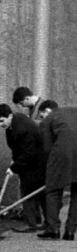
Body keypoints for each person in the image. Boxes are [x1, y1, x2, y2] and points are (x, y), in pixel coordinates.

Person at [0, 103, 46, 231]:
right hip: (30, 163)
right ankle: (36, 221)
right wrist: (15, 161)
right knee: (32, 193)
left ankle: (33, 223)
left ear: (9, 116)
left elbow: (29, 152)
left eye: (2, 121)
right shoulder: (13, 124)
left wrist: (14, 168)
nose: (0, 124)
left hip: (36, 165)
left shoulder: (23, 128)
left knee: (29, 192)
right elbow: (17, 148)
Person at [37, 100, 77, 240]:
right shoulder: (73, 111)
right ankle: (70, 231)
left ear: (46, 111)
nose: (42, 118)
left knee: (53, 190)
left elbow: (47, 149)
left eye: (41, 115)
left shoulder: (49, 119)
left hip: (61, 153)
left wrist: (50, 170)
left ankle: (53, 229)